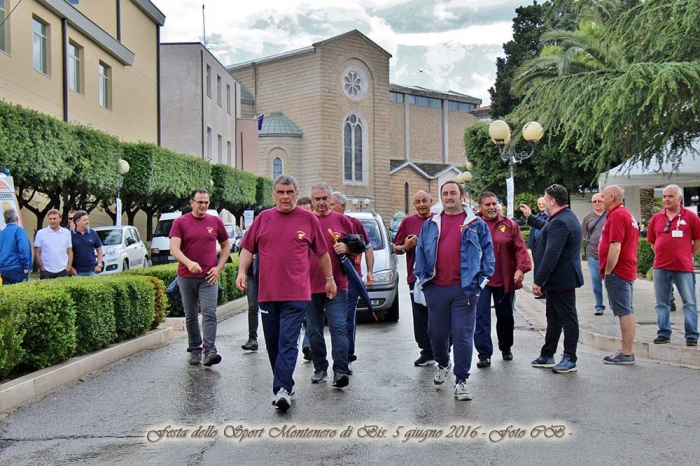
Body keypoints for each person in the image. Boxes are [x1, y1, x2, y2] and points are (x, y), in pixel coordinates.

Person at [236, 175, 336, 412]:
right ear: (273, 195)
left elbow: (322, 253)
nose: (285, 197)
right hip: (268, 294)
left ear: (296, 193)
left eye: (290, 192)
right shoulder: (263, 219)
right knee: (272, 343)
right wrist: (241, 272)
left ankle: (281, 389)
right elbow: (248, 248)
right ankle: (286, 385)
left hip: (297, 293)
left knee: (288, 341)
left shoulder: (308, 218)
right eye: (280, 192)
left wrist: (329, 279)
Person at [414, 181, 495, 401]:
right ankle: (443, 363)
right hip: (436, 289)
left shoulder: (476, 224)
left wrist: (480, 283)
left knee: (462, 335)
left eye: (453, 193)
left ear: (462, 196)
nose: (449, 197)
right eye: (445, 194)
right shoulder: (431, 224)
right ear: (441, 198)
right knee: (437, 334)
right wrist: (423, 281)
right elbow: (421, 252)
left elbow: (488, 256)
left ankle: (461, 380)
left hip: (465, 290)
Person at [519, 184, 583, 374]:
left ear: (553, 201)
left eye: (545, 198)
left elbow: (551, 254)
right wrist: (530, 218)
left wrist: (538, 281)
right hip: (558, 280)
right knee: (553, 317)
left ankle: (570, 357)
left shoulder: (560, 221)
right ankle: (548, 353)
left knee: (567, 318)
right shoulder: (562, 217)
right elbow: (546, 228)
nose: (544, 202)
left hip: (562, 279)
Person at [170, 189, 231, 367]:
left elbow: (226, 245)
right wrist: (189, 263)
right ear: (192, 203)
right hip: (186, 276)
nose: (203, 206)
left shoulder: (215, 221)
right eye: (200, 202)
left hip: (208, 277)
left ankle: (210, 351)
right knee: (190, 315)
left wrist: (218, 268)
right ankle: (195, 348)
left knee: (210, 313)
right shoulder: (180, 222)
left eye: (206, 202)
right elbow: (174, 249)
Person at [305, 182, 355, 388]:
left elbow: (356, 246)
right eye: (317, 199)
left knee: (339, 327)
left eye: (325, 198)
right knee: (314, 330)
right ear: (312, 201)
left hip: (338, 284)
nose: (322, 202)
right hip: (308, 286)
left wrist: (348, 247)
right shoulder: (305, 221)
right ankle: (320, 367)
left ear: (330, 199)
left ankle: (341, 370)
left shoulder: (342, 220)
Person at [474, 192, 531, 368]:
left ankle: (506, 347)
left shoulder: (509, 225)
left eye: (494, 204)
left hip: (505, 279)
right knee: (481, 317)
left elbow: (520, 248)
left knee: (505, 316)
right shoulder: (472, 225)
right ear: (480, 207)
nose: (491, 207)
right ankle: (484, 354)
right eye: (487, 205)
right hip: (481, 281)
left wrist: (521, 269)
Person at [647, 184, 700, 347]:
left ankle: (691, 335)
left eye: (670, 196)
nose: (666, 199)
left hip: (683, 267)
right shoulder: (657, 218)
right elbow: (652, 241)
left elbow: (697, 241)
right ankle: (663, 332)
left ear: (679, 198)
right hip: (661, 266)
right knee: (661, 302)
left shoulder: (691, 217)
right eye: (664, 196)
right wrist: (662, 253)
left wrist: (687, 255)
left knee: (689, 302)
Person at [329, 191, 374, 371]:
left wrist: (370, 271)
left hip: (349, 278)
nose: (329, 207)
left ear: (342, 206)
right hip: (324, 279)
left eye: (332, 204)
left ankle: (346, 357)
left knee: (346, 319)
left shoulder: (354, 224)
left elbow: (367, 248)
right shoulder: (319, 222)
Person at [394, 190, 436, 367]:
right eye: (417, 202)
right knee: (420, 316)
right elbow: (396, 247)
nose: (421, 205)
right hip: (416, 278)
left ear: (431, 201)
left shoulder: (438, 220)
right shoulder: (407, 222)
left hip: (438, 277)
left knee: (439, 315)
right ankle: (427, 352)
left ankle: (442, 350)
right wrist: (406, 246)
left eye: (424, 201)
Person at [599, 185, 639, 364]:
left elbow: (615, 246)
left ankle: (626, 352)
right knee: (626, 310)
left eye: (604, 196)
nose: (601, 200)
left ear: (612, 198)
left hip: (618, 270)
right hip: (626, 268)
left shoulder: (617, 215)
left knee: (624, 311)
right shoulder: (626, 214)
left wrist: (608, 271)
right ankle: (626, 351)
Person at [581, 193, 607, 315]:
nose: (597, 203)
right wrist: (578, 251)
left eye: (599, 201)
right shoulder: (588, 217)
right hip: (593, 253)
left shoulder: (610, 215)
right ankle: (599, 305)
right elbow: (581, 234)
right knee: (596, 281)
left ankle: (614, 304)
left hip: (609, 254)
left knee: (611, 281)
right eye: (594, 201)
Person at [296, 196, 313, 360]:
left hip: (314, 282)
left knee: (311, 318)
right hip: (296, 283)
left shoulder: (315, 228)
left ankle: (308, 344)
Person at [34, 208, 73, 279]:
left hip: (63, 270)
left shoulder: (66, 233)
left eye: (54, 219)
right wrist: (42, 269)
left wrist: (68, 268)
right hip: (46, 271)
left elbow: (69, 251)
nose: (52, 221)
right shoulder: (41, 233)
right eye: (50, 219)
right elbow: (37, 253)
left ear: (60, 219)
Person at [0, 209, 32, 285]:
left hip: (4, 269)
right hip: (18, 268)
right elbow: (24, 248)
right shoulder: (19, 230)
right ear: (17, 218)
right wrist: (26, 266)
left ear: (5, 220)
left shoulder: (2, 233)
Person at [69, 210, 103, 276]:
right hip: (77, 272)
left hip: (93, 270)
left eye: (88, 219)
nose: (87, 222)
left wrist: (99, 265)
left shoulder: (92, 233)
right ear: (77, 222)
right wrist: (71, 268)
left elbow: (99, 249)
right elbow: (67, 253)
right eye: (85, 220)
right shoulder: (70, 235)